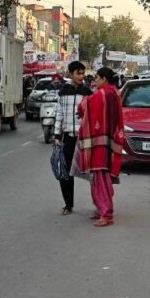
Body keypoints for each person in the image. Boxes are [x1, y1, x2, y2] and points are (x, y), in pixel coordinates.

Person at [76, 67, 125, 228]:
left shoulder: (104, 93)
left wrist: (84, 101)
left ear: (104, 79)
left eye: (96, 78)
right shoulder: (114, 92)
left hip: (100, 142)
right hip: (109, 138)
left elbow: (84, 106)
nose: (94, 81)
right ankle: (101, 208)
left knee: (100, 178)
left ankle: (106, 213)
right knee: (100, 177)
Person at [53, 61, 92, 215]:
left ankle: (100, 205)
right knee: (66, 172)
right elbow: (59, 115)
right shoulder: (63, 92)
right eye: (78, 73)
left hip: (84, 138)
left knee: (92, 172)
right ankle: (68, 205)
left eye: (83, 73)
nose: (81, 76)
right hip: (68, 137)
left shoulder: (87, 93)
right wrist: (57, 135)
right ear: (70, 74)